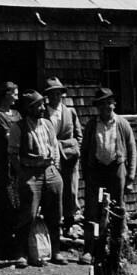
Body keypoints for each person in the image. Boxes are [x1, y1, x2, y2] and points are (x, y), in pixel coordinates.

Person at [79, 87, 137, 265]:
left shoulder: (122, 124)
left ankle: (117, 250)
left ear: (114, 104)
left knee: (117, 209)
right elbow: (84, 151)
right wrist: (86, 174)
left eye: (109, 103)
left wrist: (130, 177)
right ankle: (89, 250)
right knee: (92, 210)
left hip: (116, 170)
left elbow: (132, 150)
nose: (106, 107)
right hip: (96, 171)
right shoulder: (92, 125)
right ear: (97, 107)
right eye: (102, 104)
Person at [15, 90, 66, 267]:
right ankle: (22, 253)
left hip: (50, 171)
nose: (43, 108)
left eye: (43, 104)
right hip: (30, 173)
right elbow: (12, 155)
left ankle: (56, 251)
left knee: (55, 214)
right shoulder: (19, 127)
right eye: (38, 106)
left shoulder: (48, 124)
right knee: (28, 215)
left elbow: (55, 147)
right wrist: (22, 174)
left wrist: (55, 169)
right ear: (29, 109)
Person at [42, 77, 83, 233]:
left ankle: (69, 222)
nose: (55, 97)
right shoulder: (43, 113)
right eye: (52, 94)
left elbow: (79, 135)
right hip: (50, 159)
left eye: (58, 94)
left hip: (69, 158)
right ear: (47, 96)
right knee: (52, 190)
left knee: (70, 190)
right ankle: (54, 224)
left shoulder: (70, 112)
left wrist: (75, 149)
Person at [0, 81, 22, 258]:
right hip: (6, 164)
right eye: (14, 93)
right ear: (6, 94)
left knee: (19, 202)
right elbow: (9, 136)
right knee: (7, 202)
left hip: (19, 163)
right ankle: (5, 246)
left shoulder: (17, 114)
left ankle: (18, 244)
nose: (16, 97)